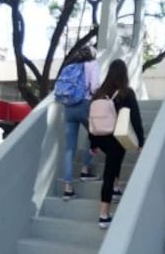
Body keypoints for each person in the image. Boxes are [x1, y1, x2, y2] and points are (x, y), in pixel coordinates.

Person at [88, 59, 145, 229]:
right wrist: (141, 141)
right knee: (110, 170)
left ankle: (116, 186)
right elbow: (135, 118)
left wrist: (92, 144)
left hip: (99, 136)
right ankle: (104, 215)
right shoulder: (126, 93)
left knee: (115, 160)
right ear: (124, 74)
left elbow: (91, 118)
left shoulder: (98, 93)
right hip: (115, 137)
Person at [57, 45, 100, 200]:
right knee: (97, 136)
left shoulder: (70, 66)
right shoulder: (93, 65)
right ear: (93, 55)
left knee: (69, 148)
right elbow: (95, 87)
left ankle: (67, 188)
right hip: (84, 105)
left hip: (68, 108)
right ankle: (85, 169)